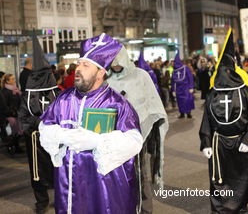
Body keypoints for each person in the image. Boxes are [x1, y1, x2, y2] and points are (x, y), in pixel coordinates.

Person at [38, 33, 143, 214]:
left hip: (106, 189)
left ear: (100, 72)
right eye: (79, 63)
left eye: (85, 65)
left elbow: (134, 141)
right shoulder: (64, 99)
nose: (78, 68)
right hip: (70, 186)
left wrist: (97, 142)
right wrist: (63, 135)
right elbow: (44, 128)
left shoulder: (117, 104)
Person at [199, 29, 248, 214]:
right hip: (219, 145)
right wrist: (206, 142)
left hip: (240, 141)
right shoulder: (213, 93)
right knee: (219, 180)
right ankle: (220, 210)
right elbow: (207, 120)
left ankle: (241, 208)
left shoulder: (246, 92)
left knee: (241, 178)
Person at [108, 47, 169, 214]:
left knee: (140, 176)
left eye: (117, 59)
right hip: (114, 140)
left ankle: (145, 210)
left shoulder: (141, 76)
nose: (115, 64)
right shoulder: (106, 79)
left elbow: (151, 102)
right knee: (117, 179)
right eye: (111, 60)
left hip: (136, 137)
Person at [18, 33, 60, 214]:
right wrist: (40, 124)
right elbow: (23, 118)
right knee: (37, 173)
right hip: (35, 141)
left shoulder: (56, 93)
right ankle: (41, 201)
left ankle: (61, 198)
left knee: (58, 170)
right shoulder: (28, 96)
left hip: (55, 140)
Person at [1, 73, 23, 153]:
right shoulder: (5, 91)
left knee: (20, 131)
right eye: (12, 79)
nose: (14, 80)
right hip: (10, 115)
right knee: (16, 130)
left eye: (14, 78)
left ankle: (14, 145)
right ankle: (12, 145)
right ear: (7, 81)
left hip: (17, 113)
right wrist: (11, 111)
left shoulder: (16, 89)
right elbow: (4, 105)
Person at [171, 53, 195, 118]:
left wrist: (191, 87)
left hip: (186, 88)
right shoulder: (174, 71)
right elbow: (173, 81)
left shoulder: (186, 68)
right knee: (180, 102)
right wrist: (173, 90)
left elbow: (190, 78)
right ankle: (181, 113)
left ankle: (188, 113)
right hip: (178, 89)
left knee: (187, 100)